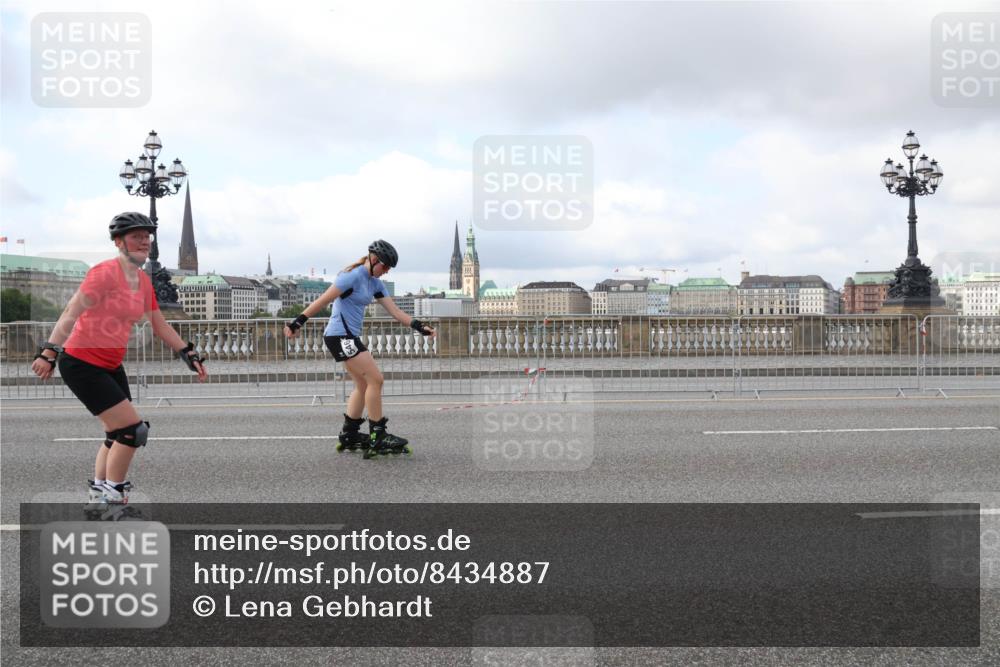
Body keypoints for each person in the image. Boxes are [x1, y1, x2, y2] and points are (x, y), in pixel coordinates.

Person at [30, 212, 207, 506]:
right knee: (132, 431)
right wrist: (49, 353)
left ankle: (99, 495)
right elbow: (71, 312)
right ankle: (115, 498)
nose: (144, 242)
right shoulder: (104, 273)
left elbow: (159, 324)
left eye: (147, 237)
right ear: (118, 242)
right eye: (136, 237)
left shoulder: (142, 281)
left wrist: (187, 353)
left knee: (115, 433)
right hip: (82, 363)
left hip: (110, 365)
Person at [284, 240, 435, 459]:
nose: (387, 271)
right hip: (339, 336)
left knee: (363, 385)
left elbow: (395, 312)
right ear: (373, 259)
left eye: (390, 268)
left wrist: (419, 326)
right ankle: (378, 435)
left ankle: (350, 434)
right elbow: (323, 300)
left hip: (348, 337)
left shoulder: (375, 283)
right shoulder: (352, 276)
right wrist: (296, 323)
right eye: (385, 266)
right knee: (376, 380)